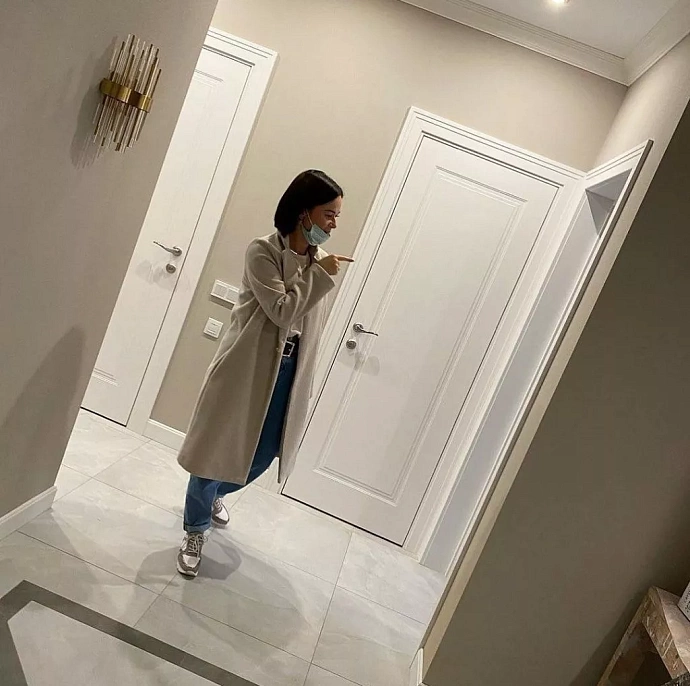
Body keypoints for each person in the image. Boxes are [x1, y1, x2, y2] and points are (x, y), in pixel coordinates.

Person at [175, 169, 352, 577]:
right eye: (329, 214)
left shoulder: (317, 262)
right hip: (246, 366)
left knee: (269, 450)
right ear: (304, 212)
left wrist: (318, 272)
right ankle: (195, 529)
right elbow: (282, 310)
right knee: (216, 448)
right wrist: (320, 275)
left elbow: (307, 324)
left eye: (337, 216)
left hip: (289, 369)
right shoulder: (263, 251)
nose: (333, 225)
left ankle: (213, 493)